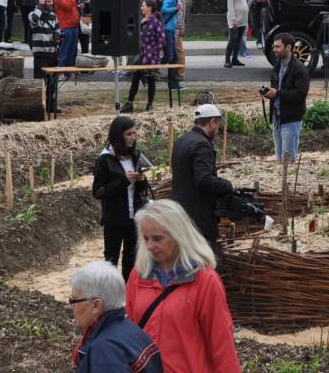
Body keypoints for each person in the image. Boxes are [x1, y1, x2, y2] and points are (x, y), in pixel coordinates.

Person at [125, 200, 240, 372]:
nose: (149, 246)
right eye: (146, 238)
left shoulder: (205, 280)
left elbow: (221, 342)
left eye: (157, 238)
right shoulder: (139, 275)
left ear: (178, 236)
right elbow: (128, 332)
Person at [69, 261, 164, 373]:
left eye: (74, 300)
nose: (70, 306)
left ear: (96, 306)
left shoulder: (104, 352)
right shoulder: (131, 330)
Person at [170, 104, 235, 254]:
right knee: (204, 259)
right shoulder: (202, 145)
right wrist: (227, 185)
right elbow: (204, 180)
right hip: (199, 217)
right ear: (212, 122)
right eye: (217, 125)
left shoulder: (181, 140)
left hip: (180, 212)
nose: (218, 130)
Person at [93, 116, 153, 275]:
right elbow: (98, 191)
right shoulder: (105, 159)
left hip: (135, 217)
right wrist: (124, 181)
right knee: (111, 259)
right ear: (118, 135)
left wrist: (141, 180)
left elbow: (141, 190)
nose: (133, 137)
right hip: (114, 219)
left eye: (134, 133)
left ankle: (129, 288)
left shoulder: (135, 156)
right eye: (129, 134)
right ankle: (111, 289)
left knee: (132, 258)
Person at [265, 33, 309, 162]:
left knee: (288, 160)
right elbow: (277, 90)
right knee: (280, 159)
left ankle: (288, 175)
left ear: (288, 47)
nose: (274, 50)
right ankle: (282, 175)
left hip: (291, 120)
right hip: (277, 118)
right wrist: (269, 93)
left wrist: (277, 93)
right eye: (274, 46)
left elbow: (300, 95)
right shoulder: (277, 66)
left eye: (278, 47)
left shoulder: (300, 69)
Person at [126, 0, 165, 112]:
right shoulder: (141, 20)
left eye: (143, 6)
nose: (141, 8)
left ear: (150, 8)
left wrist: (154, 52)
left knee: (151, 79)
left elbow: (161, 39)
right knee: (135, 78)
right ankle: (129, 104)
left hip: (150, 57)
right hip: (140, 55)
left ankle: (149, 104)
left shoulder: (156, 22)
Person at [29, 0, 60, 113]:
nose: (51, 4)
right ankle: (39, 107)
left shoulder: (53, 15)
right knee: (40, 82)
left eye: (51, 1)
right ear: (41, 3)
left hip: (52, 53)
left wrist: (57, 37)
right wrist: (40, 6)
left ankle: (51, 105)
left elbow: (57, 29)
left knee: (52, 82)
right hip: (40, 54)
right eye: (47, 2)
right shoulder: (33, 14)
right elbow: (34, 19)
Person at [54, 0, 82, 69]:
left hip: (74, 26)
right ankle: (61, 71)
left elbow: (72, 7)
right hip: (65, 27)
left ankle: (69, 71)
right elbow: (67, 6)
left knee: (72, 51)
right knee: (64, 51)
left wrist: (79, 6)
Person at [224, 0, 249, 68]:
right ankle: (227, 60)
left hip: (243, 19)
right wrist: (233, 19)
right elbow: (230, 6)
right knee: (233, 39)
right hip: (235, 19)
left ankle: (234, 59)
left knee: (239, 39)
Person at [160, 0, 182, 92]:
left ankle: (174, 84)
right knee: (170, 57)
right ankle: (148, 66)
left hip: (170, 29)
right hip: (167, 29)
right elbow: (164, 10)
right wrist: (175, 8)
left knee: (174, 58)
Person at [175, 0, 190, 82]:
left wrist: (180, 27)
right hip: (179, 27)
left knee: (179, 50)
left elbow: (180, 15)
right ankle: (179, 72)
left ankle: (181, 73)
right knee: (178, 50)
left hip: (177, 28)